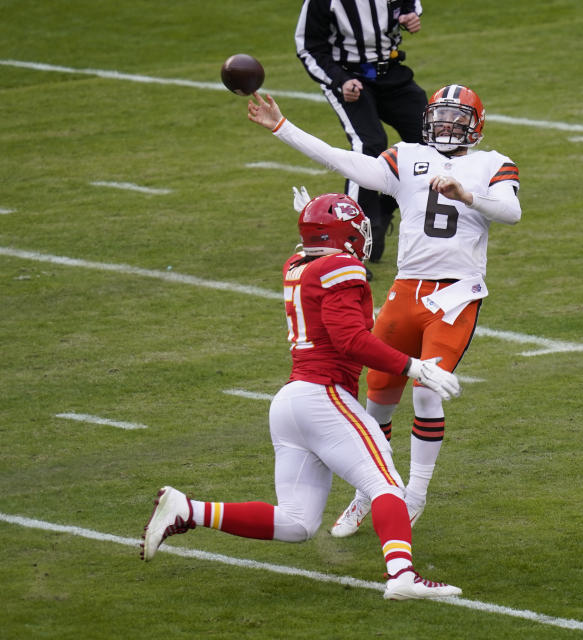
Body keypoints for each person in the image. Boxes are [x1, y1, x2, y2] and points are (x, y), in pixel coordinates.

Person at [141, 193, 462, 600]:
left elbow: (327, 293)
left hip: (292, 401)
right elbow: (350, 340)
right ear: (344, 232)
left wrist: (316, 218)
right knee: (387, 485)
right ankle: (402, 575)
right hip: (323, 396)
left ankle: (188, 510)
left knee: (296, 523)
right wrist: (415, 367)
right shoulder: (341, 266)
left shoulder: (297, 264)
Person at [247, 84, 521, 537]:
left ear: (476, 125)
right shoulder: (408, 156)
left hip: (456, 293)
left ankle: (415, 494)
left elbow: (511, 212)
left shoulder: (493, 163)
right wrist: (283, 128)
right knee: (378, 398)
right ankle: (368, 491)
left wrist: (466, 195)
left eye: (458, 119)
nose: (448, 126)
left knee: (429, 390)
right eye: (442, 116)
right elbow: (343, 160)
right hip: (407, 288)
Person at [295, 0, 428, 264]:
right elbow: (308, 46)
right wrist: (339, 80)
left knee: (430, 137)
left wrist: (410, 18)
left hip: (390, 72)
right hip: (348, 77)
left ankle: (382, 209)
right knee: (369, 144)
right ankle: (348, 250)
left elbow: (408, 7)